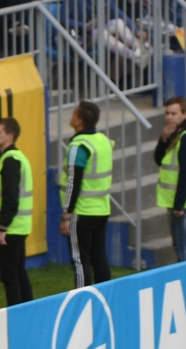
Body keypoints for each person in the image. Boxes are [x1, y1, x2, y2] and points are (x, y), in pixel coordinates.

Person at [60, 100, 113, 285]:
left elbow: (73, 182)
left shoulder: (79, 146)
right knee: (99, 256)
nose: (71, 116)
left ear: (79, 121)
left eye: (74, 114)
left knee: (80, 261)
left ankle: (83, 298)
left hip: (82, 211)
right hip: (102, 208)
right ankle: (105, 295)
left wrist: (67, 214)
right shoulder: (104, 141)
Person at [0, 115, 33, 303]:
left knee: (10, 276)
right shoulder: (17, 158)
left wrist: (2, 228)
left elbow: (10, 198)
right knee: (19, 272)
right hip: (20, 226)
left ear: (10, 136)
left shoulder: (10, 161)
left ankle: (16, 314)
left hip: (11, 229)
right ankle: (27, 311)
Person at [153, 95, 186, 263]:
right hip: (176, 199)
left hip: (182, 201)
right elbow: (159, 159)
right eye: (167, 113)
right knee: (182, 244)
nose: (169, 117)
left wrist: (179, 204)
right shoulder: (175, 133)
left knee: (181, 246)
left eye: (174, 114)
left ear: (184, 113)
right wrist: (164, 139)